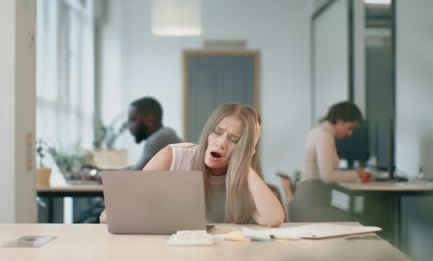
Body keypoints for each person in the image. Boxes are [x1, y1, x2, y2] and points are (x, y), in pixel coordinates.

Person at [100, 103, 284, 227]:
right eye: (217, 132)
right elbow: (108, 216)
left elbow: (273, 218)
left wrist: (245, 157)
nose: (220, 143)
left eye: (234, 140)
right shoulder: (172, 157)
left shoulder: (243, 175)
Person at [290, 101, 371, 222]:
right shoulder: (324, 136)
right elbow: (327, 176)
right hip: (311, 206)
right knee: (358, 222)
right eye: (350, 127)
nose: (350, 133)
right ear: (339, 121)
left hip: (307, 202)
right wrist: (356, 174)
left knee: (353, 219)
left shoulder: (319, 131)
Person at [127, 97, 182, 170]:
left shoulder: (159, 138)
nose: (128, 126)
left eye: (132, 119)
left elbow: (137, 174)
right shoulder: (165, 133)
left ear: (149, 119)